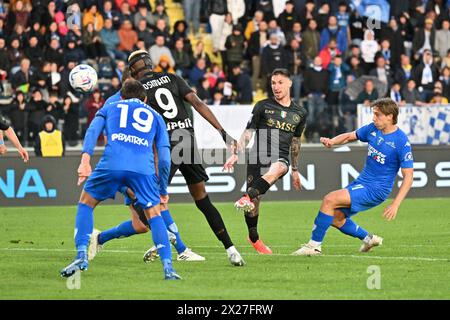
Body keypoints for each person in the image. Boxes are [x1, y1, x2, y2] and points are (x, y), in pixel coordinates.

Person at [127, 50, 245, 266]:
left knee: (141, 199)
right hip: (187, 141)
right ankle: (232, 250)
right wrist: (223, 134)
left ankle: (167, 240)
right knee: (203, 200)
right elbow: (198, 104)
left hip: (165, 146)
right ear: (149, 63)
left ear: (132, 70)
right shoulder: (172, 78)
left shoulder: (137, 89)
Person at [60, 79, 181, 280]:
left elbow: (92, 131)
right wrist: (163, 190)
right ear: (144, 99)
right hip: (142, 169)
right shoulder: (156, 116)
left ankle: (82, 254)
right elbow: (165, 158)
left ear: (122, 96)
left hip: (111, 163)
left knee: (86, 203)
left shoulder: (110, 106)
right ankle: (168, 268)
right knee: (154, 214)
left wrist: (85, 160)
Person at [88, 68, 205, 263]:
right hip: (127, 166)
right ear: (128, 82)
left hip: (142, 163)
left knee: (140, 225)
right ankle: (181, 249)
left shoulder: (142, 102)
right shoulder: (113, 104)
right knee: (156, 203)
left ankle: (99, 238)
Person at [293, 98, 414, 256]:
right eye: (374, 114)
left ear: (390, 116)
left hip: (377, 189)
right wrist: (332, 141)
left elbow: (409, 176)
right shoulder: (372, 129)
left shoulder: (401, 142)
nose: (374, 118)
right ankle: (368, 238)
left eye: (378, 115)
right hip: (363, 182)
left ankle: (314, 246)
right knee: (335, 217)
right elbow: (350, 136)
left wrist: (396, 204)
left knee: (329, 199)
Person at [224, 68, 307, 254]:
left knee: (278, 168)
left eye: (280, 82)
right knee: (255, 202)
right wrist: (237, 152)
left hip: (281, 157)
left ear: (289, 83)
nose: (276, 87)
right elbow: (249, 131)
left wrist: (294, 169)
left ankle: (247, 196)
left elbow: (295, 141)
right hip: (257, 157)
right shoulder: (262, 106)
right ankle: (253, 237)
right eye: (273, 83)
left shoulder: (300, 113)